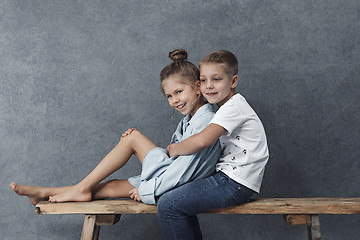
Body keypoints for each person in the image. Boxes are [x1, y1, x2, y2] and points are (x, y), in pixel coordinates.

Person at [9, 49, 221, 206]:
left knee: (132, 137)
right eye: (169, 96)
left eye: (179, 92)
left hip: (177, 183)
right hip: (169, 175)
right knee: (109, 187)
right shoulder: (189, 120)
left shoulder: (206, 120)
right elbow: (176, 160)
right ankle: (43, 192)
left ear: (197, 88)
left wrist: (146, 190)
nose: (174, 100)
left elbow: (184, 171)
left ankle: (79, 189)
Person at [157, 50, 269, 239]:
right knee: (177, 200)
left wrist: (174, 149)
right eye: (204, 80)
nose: (208, 87)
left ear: (233, 81)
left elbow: (202, 140)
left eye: (216, 79)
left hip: (234, 183)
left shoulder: (233, 107)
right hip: (230, 179)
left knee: (168, 205)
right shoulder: (226, 107)